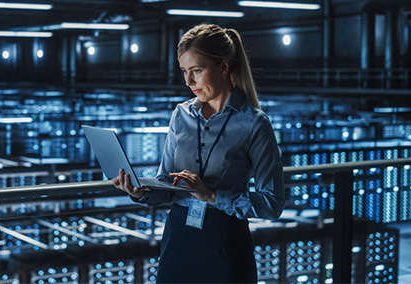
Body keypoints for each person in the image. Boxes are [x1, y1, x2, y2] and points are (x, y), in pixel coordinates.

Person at [112, 23, 285, 283]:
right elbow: (166, 182)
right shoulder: (180, 115)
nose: (188, 81)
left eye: (197, 71)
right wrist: (140, 191)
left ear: (224, 67)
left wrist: (213, 196)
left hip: (224, 239)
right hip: (179, 236)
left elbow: (272, 203)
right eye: (184, 71)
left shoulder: (254, 123)